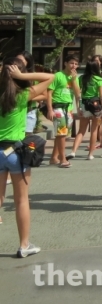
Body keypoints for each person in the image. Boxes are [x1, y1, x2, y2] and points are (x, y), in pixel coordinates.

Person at [0, 59, 54, 258]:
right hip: (15, 152)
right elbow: (51, 77)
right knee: (21, 199)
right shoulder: (23, 95)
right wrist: (22, 76)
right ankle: (24, 245)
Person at [47, 55, 81, 168]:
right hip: (58, 107)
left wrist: (74, 79)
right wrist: (50, 109)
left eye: (76, 64)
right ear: (65, 63)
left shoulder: (74, 77)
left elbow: (77, 94)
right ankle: (63, 159)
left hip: (69, 108)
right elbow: (49, 93)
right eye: (71, 63)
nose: (74, 66)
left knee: (63, 135)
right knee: (61, 134)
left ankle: (53, 158)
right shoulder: (57, 76)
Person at [68, 59, 102, 160]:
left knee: (81, 131)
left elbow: (78, 94)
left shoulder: (82, 78)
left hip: (84, 104)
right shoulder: (99, 79)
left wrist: (78, 107)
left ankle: (73, 151)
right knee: (94, 131)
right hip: (96, 105)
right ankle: (90, 154)